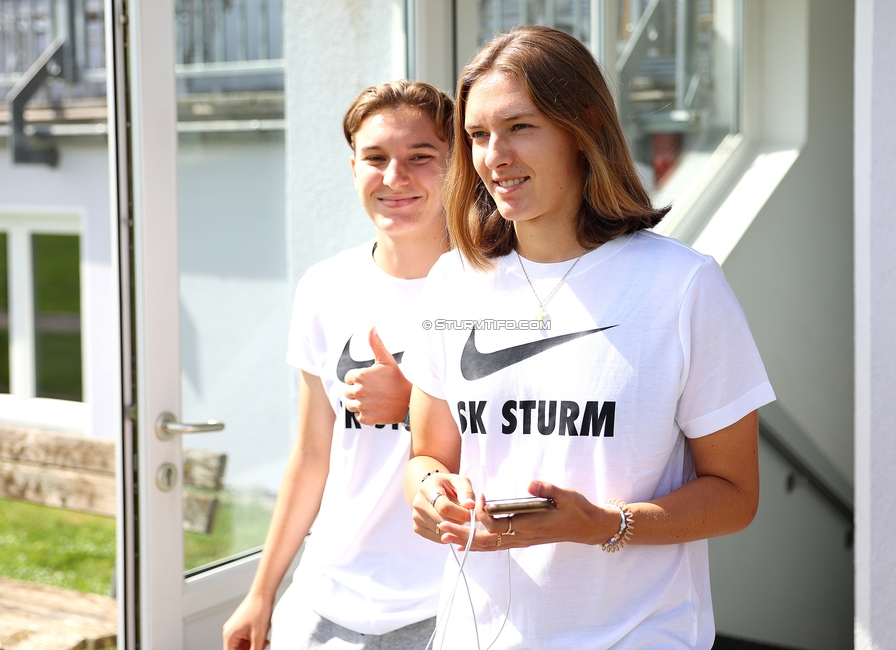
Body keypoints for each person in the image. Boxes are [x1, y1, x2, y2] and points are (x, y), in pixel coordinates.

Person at [401, 26, 776, 649]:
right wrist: (431, 494)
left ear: (583, 128)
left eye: (520, 127)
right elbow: (426, 455)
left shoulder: (683, 286)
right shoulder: (453, 281)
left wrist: (603, 524)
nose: (494, 156)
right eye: (477, 135)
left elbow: (735, 496)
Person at [223, 80, 453, 650]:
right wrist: (261, 593)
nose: (395, 178)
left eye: (420, 158)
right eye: (376, 158)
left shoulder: (497, 288)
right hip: (323, 604)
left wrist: (413, 404)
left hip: (445, 607)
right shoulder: (326, 287)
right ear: (353, 167)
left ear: (458, 168)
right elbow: (310, 456)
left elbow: (526, 446)